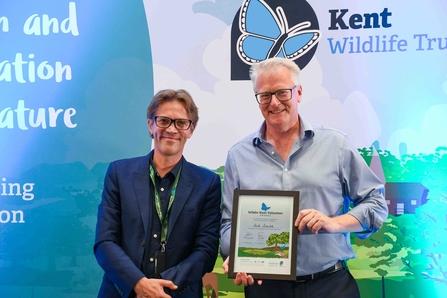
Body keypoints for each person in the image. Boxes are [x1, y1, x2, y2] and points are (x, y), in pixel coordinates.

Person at [220, 57, 388, 298]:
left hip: (330, 284)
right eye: (265, 95)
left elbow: (376, 203)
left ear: (298, 93)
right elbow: (228, 223)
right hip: (264, 288)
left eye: (282, 93)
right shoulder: (238, 156)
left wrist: (334, 223)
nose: (274, 102)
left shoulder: (336, 145)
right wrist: (236, 256)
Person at [94, 89, 222, 298]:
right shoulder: (119, 173)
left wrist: (159, 289)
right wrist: (138, 283)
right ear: (150, 124)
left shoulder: (207, 183)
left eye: (181, 123)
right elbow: (105, 242)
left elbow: (206, 251)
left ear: (191, 129)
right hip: (122, 292)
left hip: (177, 293)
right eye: (164, 121)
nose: (172, 129)